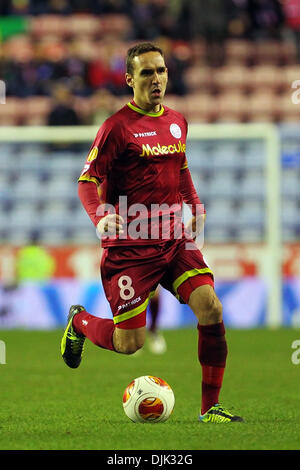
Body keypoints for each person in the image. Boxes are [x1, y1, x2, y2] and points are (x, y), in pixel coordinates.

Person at [60, 42, 243, 423]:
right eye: (147, 72)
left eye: (161, 71)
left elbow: (181, 167)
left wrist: (193, 203)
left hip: (173, 238)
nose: (156, 78)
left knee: (211, 307)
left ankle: (211, 409)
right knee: (130, 344)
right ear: (129, 79)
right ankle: (79, 321)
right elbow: (85, 181)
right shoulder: (115, 128)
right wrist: (99, 217)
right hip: (130, 247)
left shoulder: (177, 120)